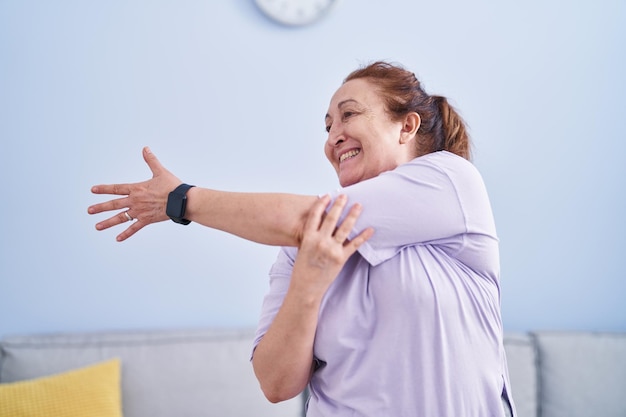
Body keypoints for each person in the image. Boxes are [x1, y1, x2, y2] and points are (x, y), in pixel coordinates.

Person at [89, 61, 516, 416]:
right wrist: (308, 287)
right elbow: (275, 384)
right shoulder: (298, 244)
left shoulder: (450, 181)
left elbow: (310, 218)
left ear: (406, 126)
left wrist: (181, 199)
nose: (333, 137)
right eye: (328, 126)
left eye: (349, 115)